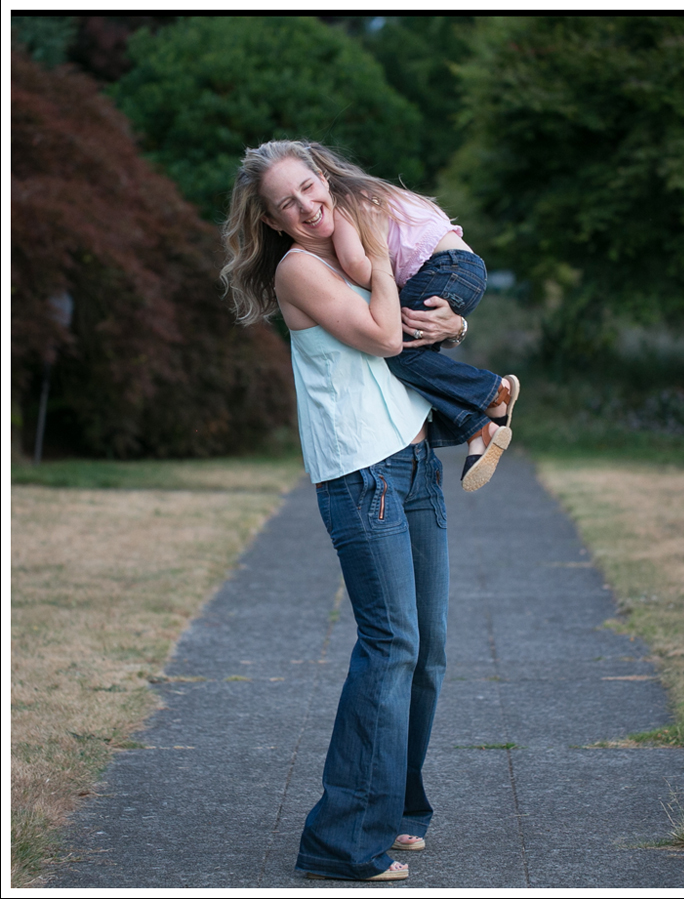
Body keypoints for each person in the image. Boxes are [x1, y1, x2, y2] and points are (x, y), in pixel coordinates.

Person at [221, 139, 467, 882]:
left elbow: (422, 330)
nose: (307, 206)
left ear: (323, 178)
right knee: (390, 645)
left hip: (416, 462)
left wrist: (453, 324)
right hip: (364, 477)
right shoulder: (301, 268)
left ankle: (396, 812)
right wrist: (374, 265)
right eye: (286, 202)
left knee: (429, 650)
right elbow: (386, 335)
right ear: (270, 220)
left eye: (309, 187)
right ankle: (342, 838)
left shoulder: (359, 243)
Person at [329, 175, 520, 490]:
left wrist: (367, 280)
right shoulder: (380, 192)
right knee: (417, 364)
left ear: (324, 180)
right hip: (465, 269)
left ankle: (494, 392)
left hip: (443, 267)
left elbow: (354, 264)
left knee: (398, 352)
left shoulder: (342, 205)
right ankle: (479, 431)